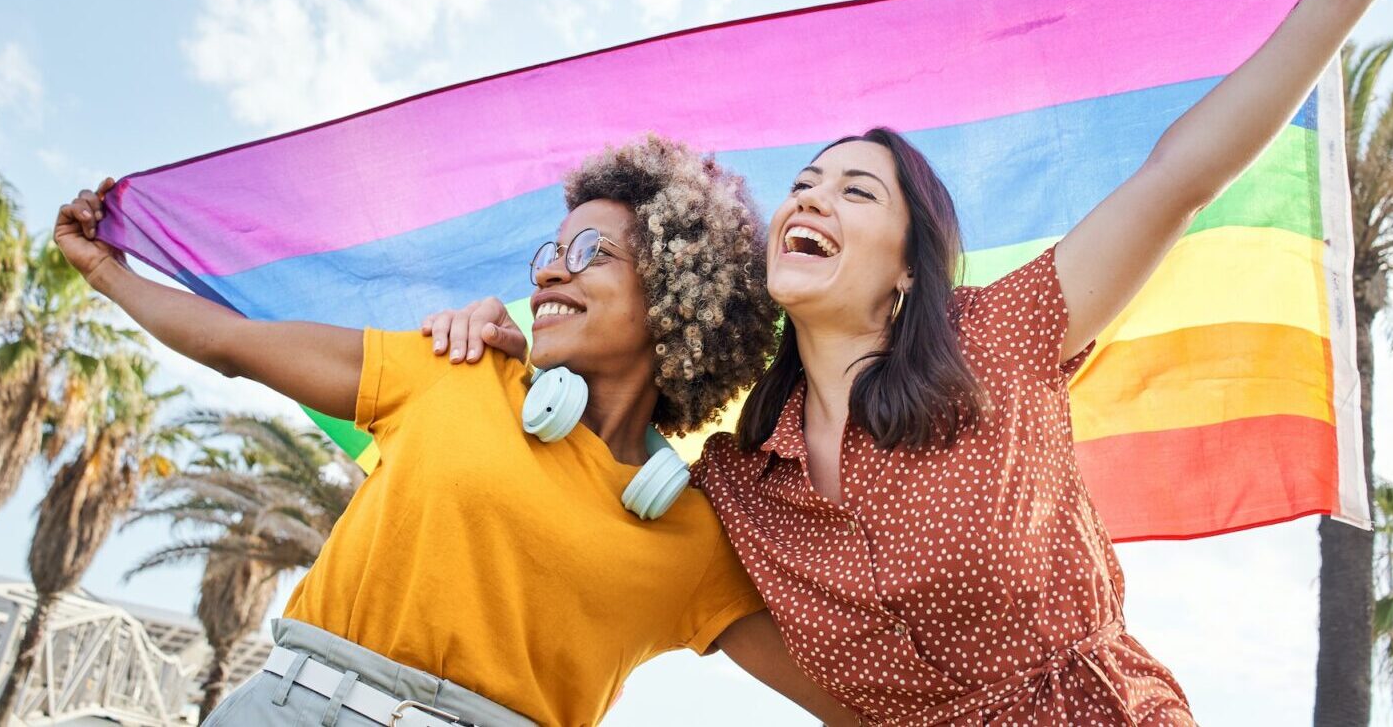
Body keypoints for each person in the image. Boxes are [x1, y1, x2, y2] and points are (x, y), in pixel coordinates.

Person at [426, 0, 1393, 724]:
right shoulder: (731, 486)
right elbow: (580, 475)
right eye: (805, 183)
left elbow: (1176, 177)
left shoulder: (1002, 334)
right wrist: (518, 350)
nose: (809, 197)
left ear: (906, 272)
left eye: (855, 190)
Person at [55, 135, 853, 726]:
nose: (547, 271)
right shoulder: (456, 369)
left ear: (676, 292)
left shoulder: (694, 537)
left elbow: (858, 699)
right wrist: (104, 271)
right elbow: (228, 345)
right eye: (549, 250)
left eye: (588, 252)